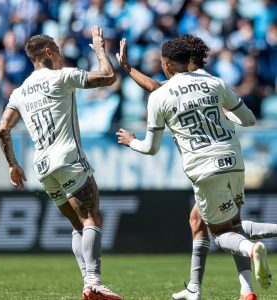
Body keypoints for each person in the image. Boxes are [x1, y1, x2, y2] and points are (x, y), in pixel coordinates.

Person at [116, 36, 273, 300]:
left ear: (166, 65)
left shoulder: (159, 97)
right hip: (234, 163)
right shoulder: (216, 83)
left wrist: (132, 142)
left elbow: (150, 148)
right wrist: (224, 113)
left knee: (223, 234)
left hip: (204, 168)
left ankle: (250, 248)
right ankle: (237, 290)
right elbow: (249, 120)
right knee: (208, 220)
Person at [0, 26, 123, 300]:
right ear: (48, 52)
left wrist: (12, 164)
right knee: (91, 218)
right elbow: (109, 77)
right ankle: (94, 282)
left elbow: (2, 130)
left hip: (40, 166)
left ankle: (89, 282)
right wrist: (101, 51)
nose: (61, 55)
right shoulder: (61, 77)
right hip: (67, 158)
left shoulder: (19, 92)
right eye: (58, 50)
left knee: (78, 226)